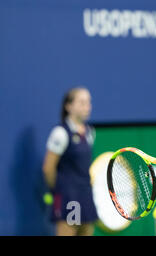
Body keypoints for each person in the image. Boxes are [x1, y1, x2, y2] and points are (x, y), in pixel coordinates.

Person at [42, 87, 98, 236]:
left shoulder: (90, 132)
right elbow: (48, 168)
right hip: (68, 197)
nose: (87, 106)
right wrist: (59, 192)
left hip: (85, 194)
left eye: (88, 102)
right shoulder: (60, 133)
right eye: (82, 102)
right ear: (68, 106)